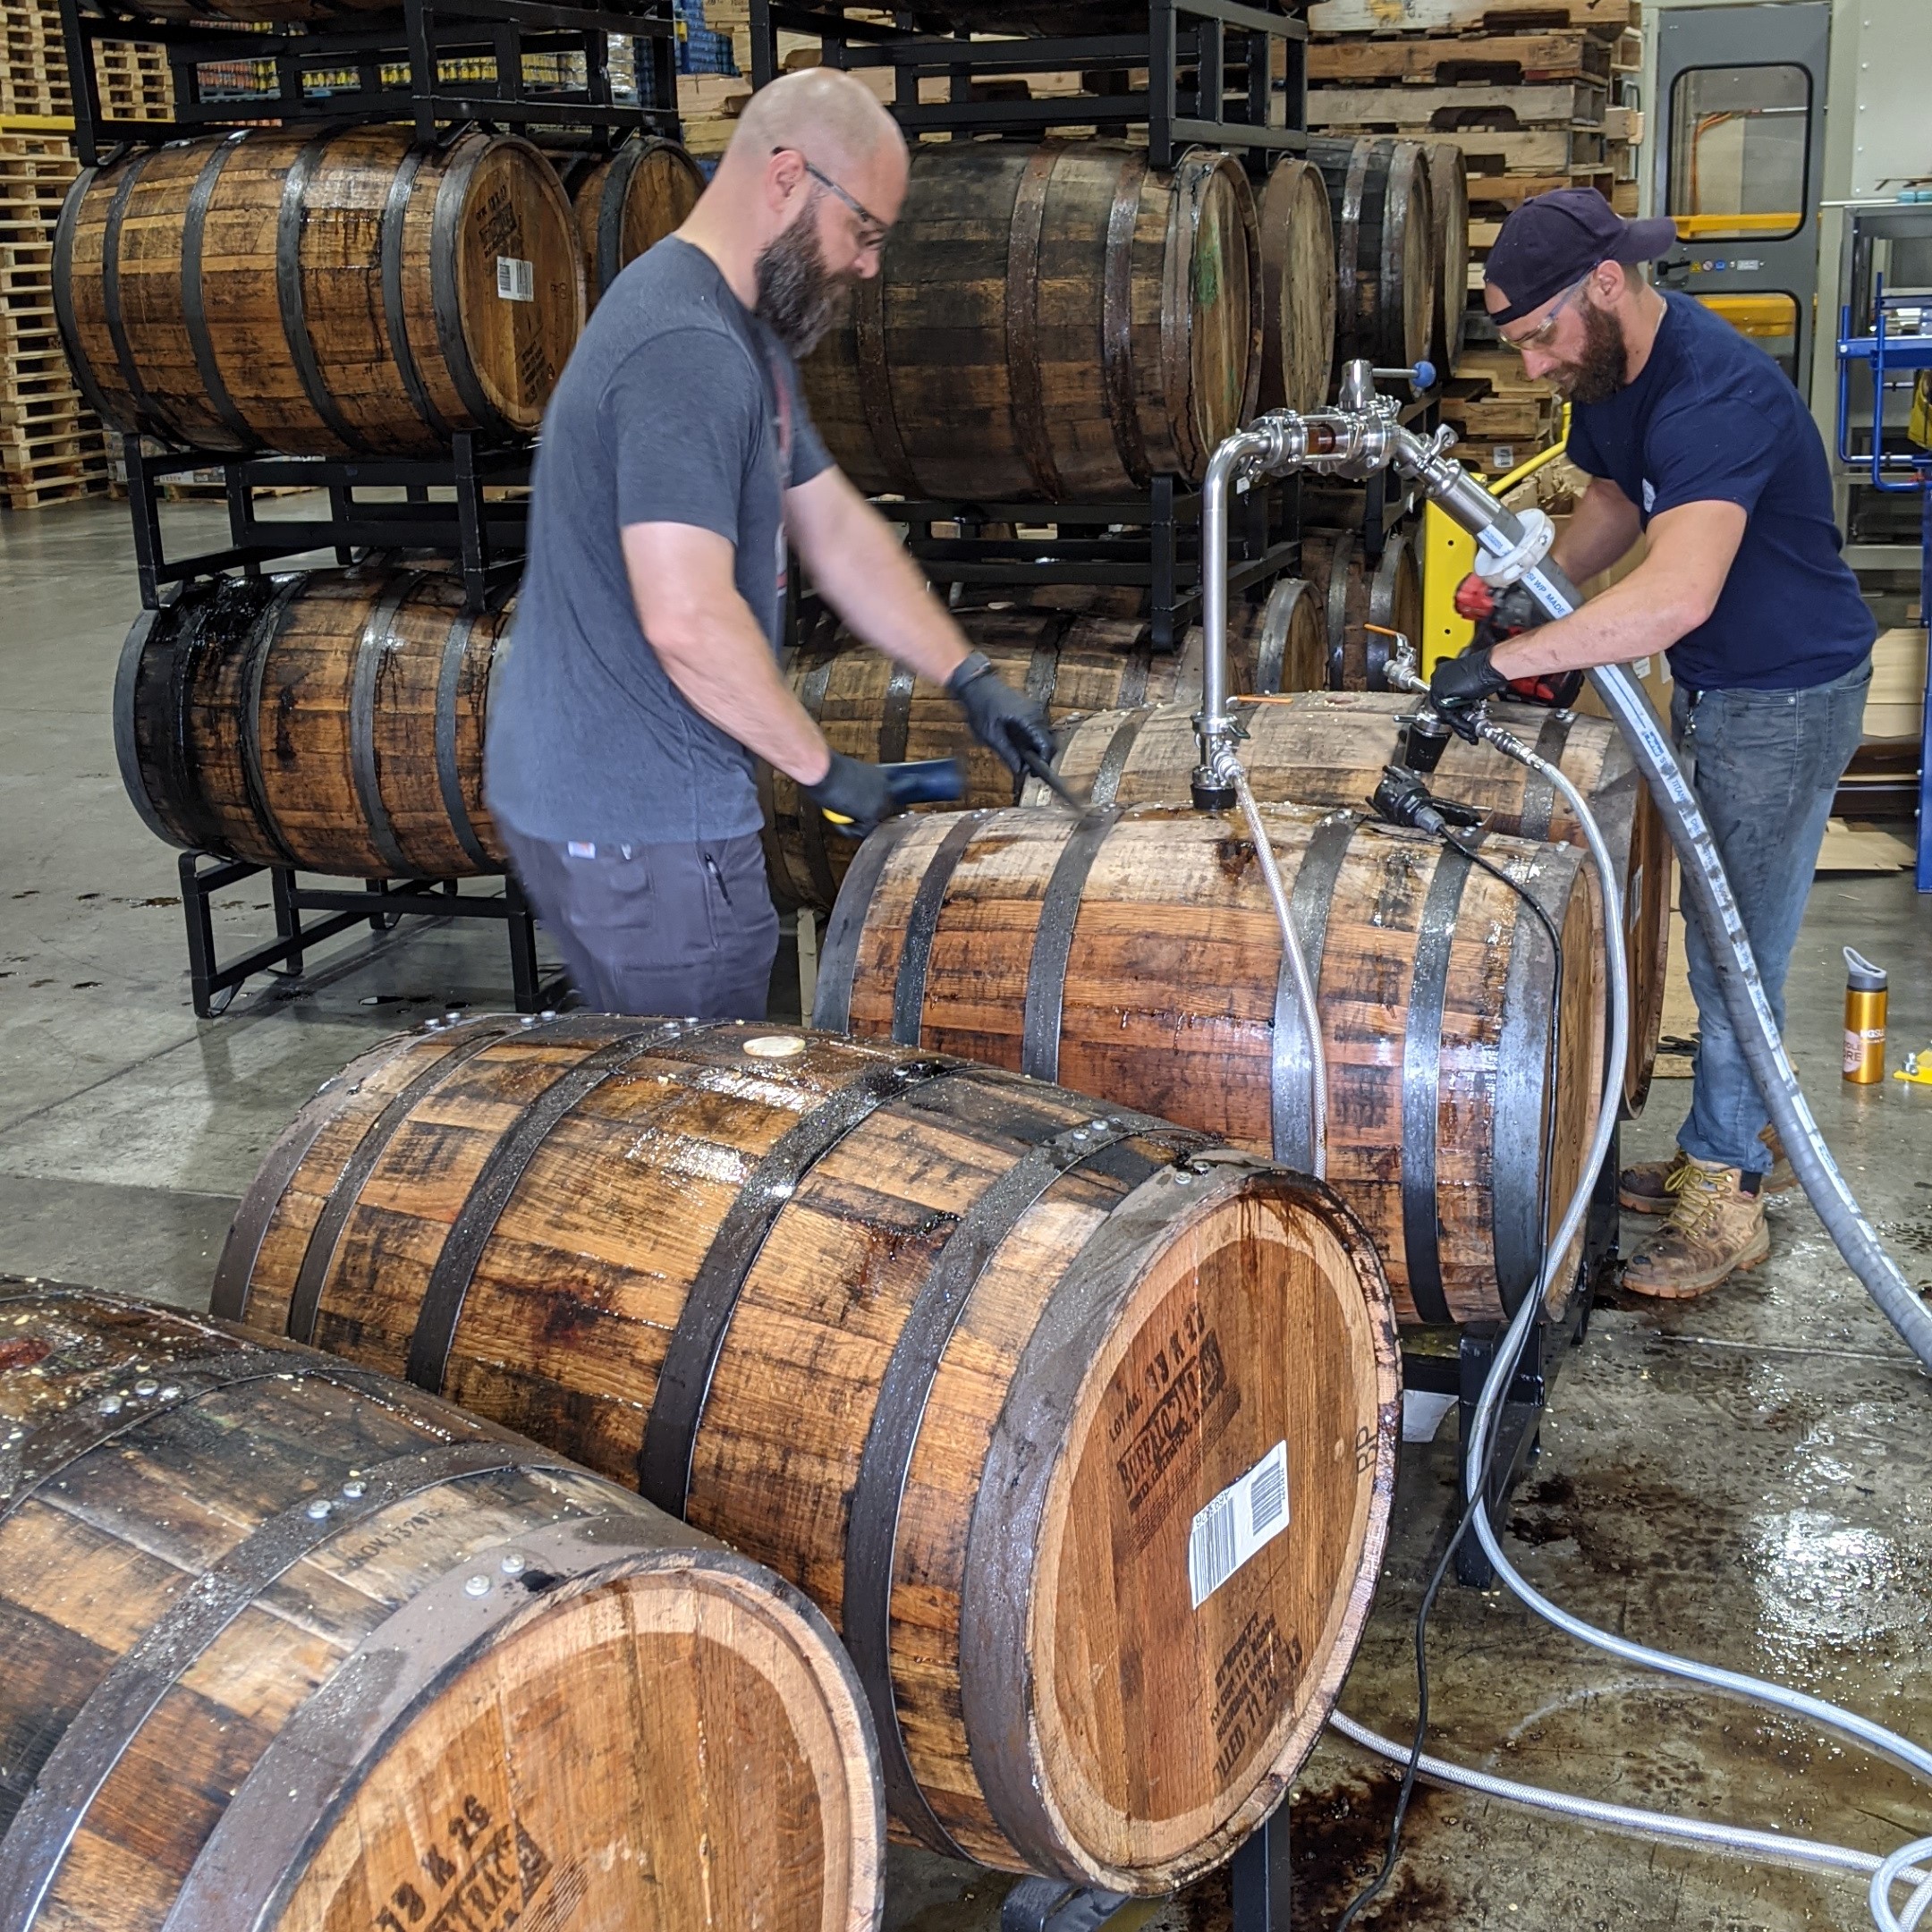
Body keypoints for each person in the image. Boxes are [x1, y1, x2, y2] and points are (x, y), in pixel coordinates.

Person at [485, 69, 1055, 1021]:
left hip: (627, 806)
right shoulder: (687, 348)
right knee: (701, 1115)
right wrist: (822, 768)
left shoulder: (742, 330)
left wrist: (968, 676)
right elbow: (687, 617)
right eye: (864, 231)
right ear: (789, 177)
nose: (867, 266)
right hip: (643, 830)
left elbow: (831, 526)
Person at [1429, 189, 1875, 1300]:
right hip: (1725, 686)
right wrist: (1548, 593)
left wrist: (1515, 662)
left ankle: (1727, 1192)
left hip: (1784, 695)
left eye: (1540, 335)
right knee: (1711, 926)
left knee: (1736, 946)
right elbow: (1619, 501)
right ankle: (1718, 1138)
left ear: (1607, 287)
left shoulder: (1715, 390)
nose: (1533, 366)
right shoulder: (1616, 373)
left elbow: (1676, 595)